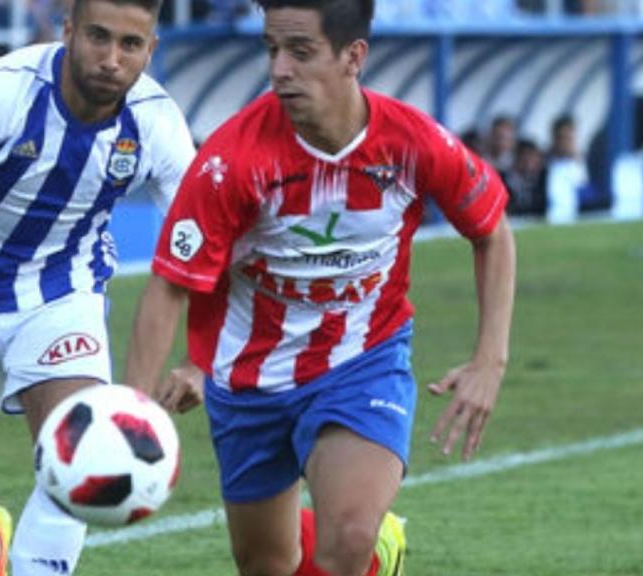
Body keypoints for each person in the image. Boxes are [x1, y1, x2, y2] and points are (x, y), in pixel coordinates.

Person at [125, 2, 516, 576]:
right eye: (271, 50)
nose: (280, 69)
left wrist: (491, 359)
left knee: (349, 538)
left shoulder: (412, 143)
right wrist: (131, 413)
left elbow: (492, 233)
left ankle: (368, 547)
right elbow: (170, 285)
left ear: (353, 57)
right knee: (267, 564)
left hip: (362, 358)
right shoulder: (231, 159)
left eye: (300, 52)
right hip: (250, 378)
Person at [0, 0, 194, 574]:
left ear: (151, 49)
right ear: (67, 31)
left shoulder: (156, 121)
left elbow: (200, 242)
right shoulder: (1, 93)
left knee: (81, 442)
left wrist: (201, 357)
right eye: (98, 36)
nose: (111, 59)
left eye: (130, 44)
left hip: (63, 293)